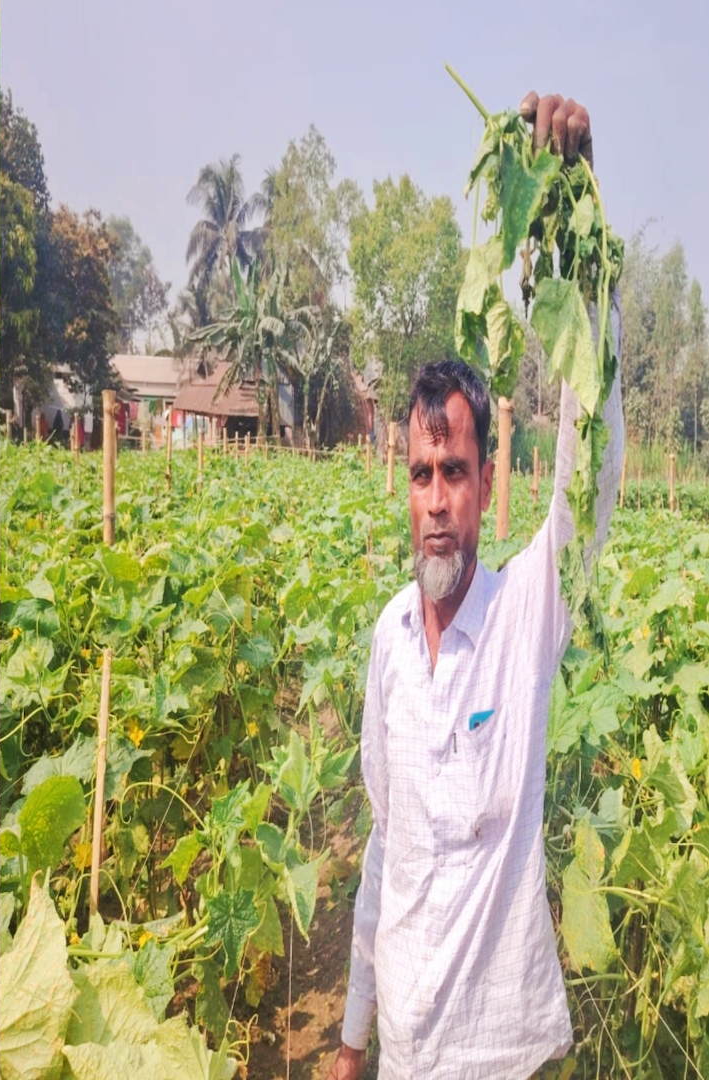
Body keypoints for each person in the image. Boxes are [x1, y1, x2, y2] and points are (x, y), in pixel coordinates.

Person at [327, 91, 622, 1080]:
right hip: (405, 1046)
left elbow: (596, 475)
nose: (439, 501)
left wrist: (579, 233)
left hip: (501, 1052)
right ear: (401, 485)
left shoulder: (524, 610)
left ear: (487, 484)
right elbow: (382, 851)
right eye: (422, 475)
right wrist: (351, 1033)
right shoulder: (384, 647)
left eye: (456, 474)